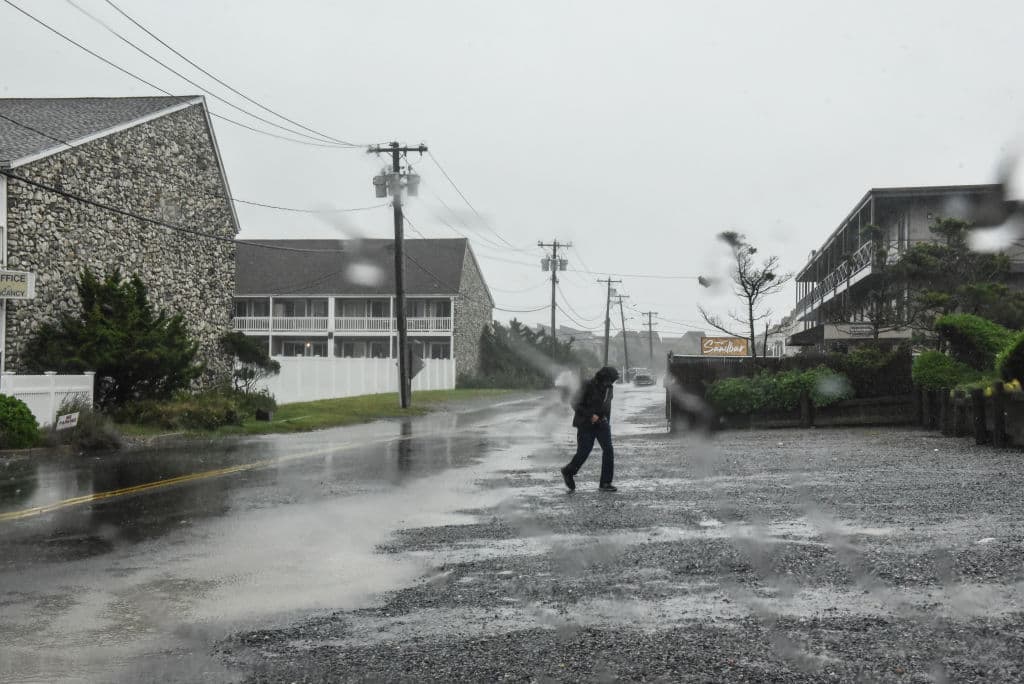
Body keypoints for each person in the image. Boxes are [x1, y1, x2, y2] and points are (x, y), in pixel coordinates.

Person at [561, 366, 619, 492]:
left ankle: (605, 483)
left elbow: (607, 406)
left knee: (608, 450)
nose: (610, 383)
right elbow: (574, 403)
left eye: (613, 381)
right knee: (584, 451)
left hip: (602, 423)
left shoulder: (609, 388)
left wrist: (606, 422)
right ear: (602, 377)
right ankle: (568, 471)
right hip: (585, 424)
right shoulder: (587, 385)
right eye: (609, 380)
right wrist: (590, 415)